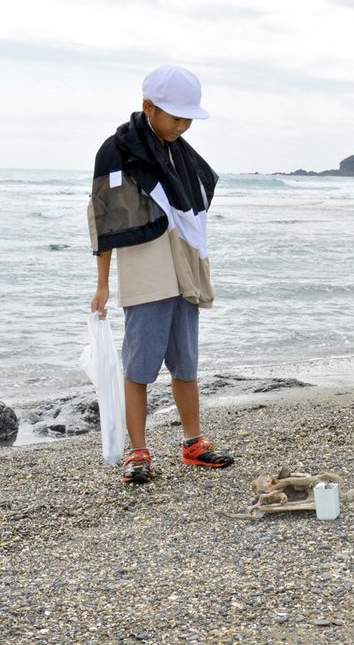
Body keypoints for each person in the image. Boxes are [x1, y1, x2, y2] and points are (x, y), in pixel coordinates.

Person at [88, 65, 234, 483]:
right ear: (148, 107)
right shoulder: (119, 151)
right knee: (139, 365)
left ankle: (193, 444)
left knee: (186, 362)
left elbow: (193, 212)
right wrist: (102, 283)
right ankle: (138, 452)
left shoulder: (181, 151)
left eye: (188, 118)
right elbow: (104, 219)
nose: (183, 125)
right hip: (145, 269)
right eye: (176, 117)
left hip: (183, 266)